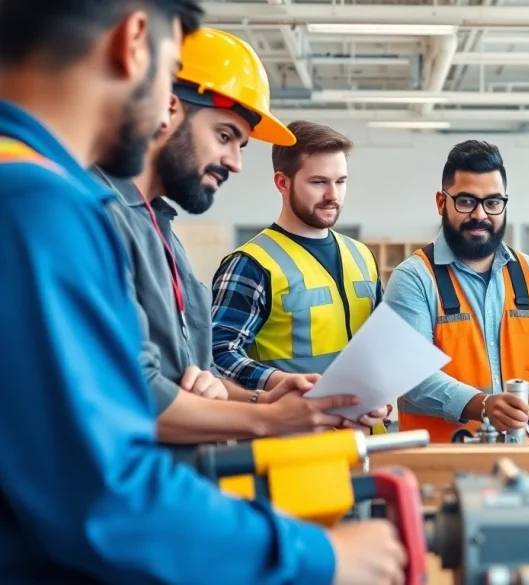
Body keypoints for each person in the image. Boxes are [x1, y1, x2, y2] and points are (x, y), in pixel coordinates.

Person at [0, 2, 406, 584]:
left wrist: (249, 400)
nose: (164, 108)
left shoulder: (85, 209)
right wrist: (322, 556)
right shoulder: (40, 207)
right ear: (134, 42)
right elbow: (108, 491)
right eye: (168, 73)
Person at [95, 27, 386, 443]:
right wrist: (271, 417)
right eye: (224, 136)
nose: (235, 163)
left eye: (240, 145)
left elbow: (194, 371)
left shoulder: (162, 232)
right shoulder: (93, 214)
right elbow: (127, 391)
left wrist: (260, 399)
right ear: (168, 109)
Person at [385, 140, 529, 442]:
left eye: (492, 202)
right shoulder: (414, 278)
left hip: (521, 448)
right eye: (466, 201)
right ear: (441, 202)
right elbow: (411, 372)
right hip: (437, 456)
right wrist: (483, 405)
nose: (480, 214)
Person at [210, 121, 386, 409]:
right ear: (283, 183)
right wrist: (287, 384)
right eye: (318, 182)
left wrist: (382, 392)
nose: (333, 195)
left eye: (340, 182)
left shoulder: (362, 255)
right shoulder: (250, 264)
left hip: (366, 426)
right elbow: (219, 354)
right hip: (295, 430)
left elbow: (378, 344)